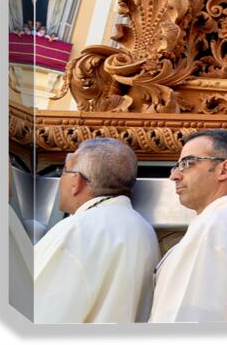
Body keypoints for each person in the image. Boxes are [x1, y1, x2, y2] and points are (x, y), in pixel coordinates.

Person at [33, 138, 159, 323]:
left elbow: (39, 313)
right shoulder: (143, 229)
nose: (61, 179)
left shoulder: (75, 230)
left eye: (64, 172)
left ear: (76, 181)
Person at [150, 129, 227, 322]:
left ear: (223, 170)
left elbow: (189, 319)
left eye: (187, 163)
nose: (175, 175)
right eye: (176, 166)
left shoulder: (215, 226)